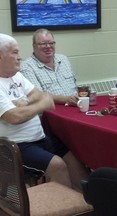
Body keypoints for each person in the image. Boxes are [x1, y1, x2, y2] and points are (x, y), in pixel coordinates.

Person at [0, 33, 89, 191]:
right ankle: (65, 209)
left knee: (74, 155)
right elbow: (14, 116)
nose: (19, 57)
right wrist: (42, 105)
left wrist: (25, 102)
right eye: (14, 52)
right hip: (13, 147)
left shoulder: (16, 76)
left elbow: (39, 94)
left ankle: (86, 200)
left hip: (38, 138)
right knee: (58, 165)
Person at [21, 28, 78, 106]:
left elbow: (75, 86)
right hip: (50, 111)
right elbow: (38, 96)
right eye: (43, 44)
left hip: (75, 106)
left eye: (51, 43)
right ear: (34, 46)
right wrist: (66, 100)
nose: (48, 46)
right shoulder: (27, 67)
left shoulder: (63, 59)